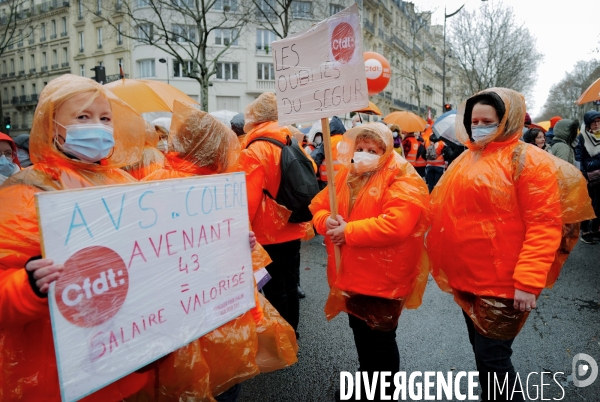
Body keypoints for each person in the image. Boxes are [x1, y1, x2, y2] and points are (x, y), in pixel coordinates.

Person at [428, 88, 593, 401]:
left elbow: (544, 225)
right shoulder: (468, 158)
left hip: (503, 284)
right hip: (468, 279)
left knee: (494, 361)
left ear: (506, 120)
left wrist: (528, 282)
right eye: (473, 120)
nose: (478, 126)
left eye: (486, 120)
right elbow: (444, 206)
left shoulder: (528, 162)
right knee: (483, 356)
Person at [0, 74, 151, 400]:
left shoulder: (124, 183)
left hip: (123, 361)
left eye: (105, 117)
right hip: (60, 375)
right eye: (83, 116)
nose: (97, 125)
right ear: (53, 125)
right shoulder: (24, 191)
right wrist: (30, 287)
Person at [142, 101, 298, 401]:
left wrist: (243, 242)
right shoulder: (215, 188)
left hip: (186, 309)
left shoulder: (165, 184)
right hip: (209, 309)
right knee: (221, 380)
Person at [309, 123, 429, 401]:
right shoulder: (347, 174)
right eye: (359, 148)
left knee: (380, 341)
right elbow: (320, 207)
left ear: (385, 150)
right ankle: (366, 386)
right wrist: (325, 221)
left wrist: (347, 232)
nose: (363, 154)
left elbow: (397, 224)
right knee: (361, 335)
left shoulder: (401, 175)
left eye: (371, 150)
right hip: (350, 274)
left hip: (384, 278)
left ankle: (383, 393)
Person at [236, 92, 315, 337]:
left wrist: (241, 230)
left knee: (272, 287)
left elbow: (248, 200)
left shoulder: (254, 149)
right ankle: (292, 332)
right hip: (293, 225)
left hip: (267, 233)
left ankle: (282, 338)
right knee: (291, 284)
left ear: (255, 118)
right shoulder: (291, 140)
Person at [578, 110, 600, 244]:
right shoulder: (582, 137)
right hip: (588, 177)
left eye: (599, 122)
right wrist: (583, 174)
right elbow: (579, 157)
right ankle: (585, 231)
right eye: (594, 123)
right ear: (587, 125)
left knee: (599, 205)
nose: (597, 125)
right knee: (588, 205)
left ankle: (595, 230)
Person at [310, 116, 346, 190]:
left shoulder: (327, 142)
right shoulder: (349, 141)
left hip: (328, 181)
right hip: (345, 179)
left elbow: (315, 159)